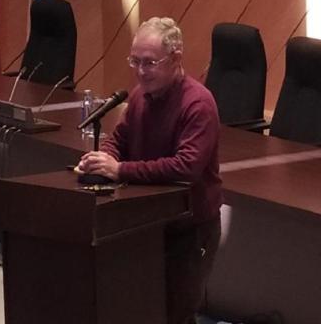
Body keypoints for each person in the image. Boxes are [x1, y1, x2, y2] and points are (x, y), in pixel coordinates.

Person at [78, 17, 222, 324]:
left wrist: (121, 170)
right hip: (146, 223)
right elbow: (118, 140)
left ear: (176, 59)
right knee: (142, 308)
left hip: (190, 228)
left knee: (175, 314)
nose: (141, 72)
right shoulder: (140, 97)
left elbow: (186, 167)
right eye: (135, 62)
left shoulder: (198, 103)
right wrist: (101, 161)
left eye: (150, 63)